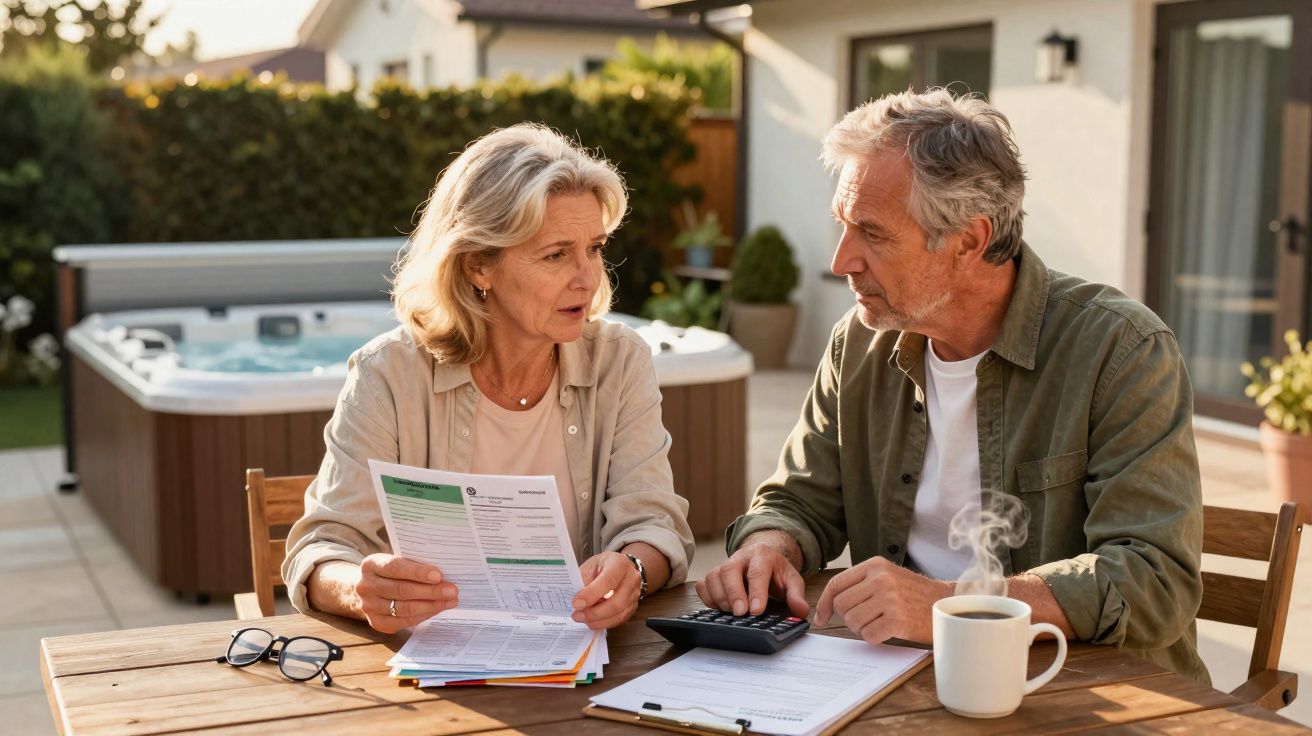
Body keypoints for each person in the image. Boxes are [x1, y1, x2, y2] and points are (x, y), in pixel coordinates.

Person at [697, 89, 1208, 681]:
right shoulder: (858, 344)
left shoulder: (1119, 350)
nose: (842, 261)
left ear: (969, 238)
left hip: (1083, 690)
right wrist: (769, 547)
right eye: (842, 225)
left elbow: (1153, 580)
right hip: (896, 676)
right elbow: (797, 500)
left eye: (873, 233)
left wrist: (950, 605)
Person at [284, 123, 695, 634]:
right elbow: (323, 547)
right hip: (429, 675)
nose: (588, 278)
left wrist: (633, 568)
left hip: (584, 666)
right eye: (556, 254)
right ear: (479, 265)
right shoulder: (388, 374)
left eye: (594, 247)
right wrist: (360, 588)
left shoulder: (620, 361)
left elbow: (654, 524)